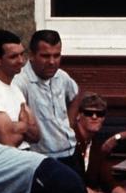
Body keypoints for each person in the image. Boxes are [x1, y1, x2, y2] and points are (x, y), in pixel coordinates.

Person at [14, 29, 79, 160]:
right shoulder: (20, 82)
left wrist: (70, 124)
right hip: (42, 158)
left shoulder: (61, 76)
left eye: (57, 55)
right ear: (31, 55)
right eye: (45, 56)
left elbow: (76, 95)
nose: (52, 62)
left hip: (71, 152)